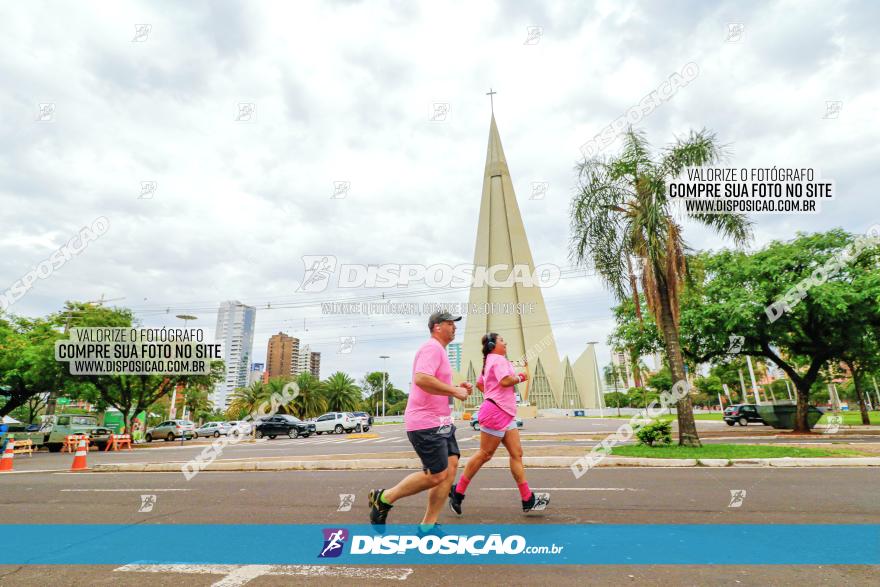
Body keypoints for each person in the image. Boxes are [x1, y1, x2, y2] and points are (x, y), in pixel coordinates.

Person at [368, 311, 473, 530]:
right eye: (450, 323)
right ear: (437, 327)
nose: (454, 327)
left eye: (455, 324)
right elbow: (421, 379)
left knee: (450, 468)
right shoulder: (431, 348)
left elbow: (433, 384)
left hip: (441, 422)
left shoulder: (441, 352)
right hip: (426, 424)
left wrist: (456, 388)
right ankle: (384, 498)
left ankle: (427, 527)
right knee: (437, 476)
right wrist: (454, 391)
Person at [448, 333, 549, 515]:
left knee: (516, 453)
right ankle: (458, 491)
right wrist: (521, 377)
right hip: (496, 412)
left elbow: (481, 384)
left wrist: (492, 393)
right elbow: (504, 381)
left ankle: (527, 499)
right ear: (493, 344)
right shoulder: (499, 360)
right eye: (502, 340)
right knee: (485, 454)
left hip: (507, 413)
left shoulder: (490, 361)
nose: (506, 342)